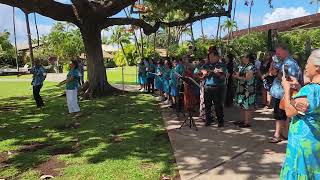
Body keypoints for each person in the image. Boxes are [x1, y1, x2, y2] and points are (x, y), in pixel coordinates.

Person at [280, 49, 320, 179]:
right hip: (315, 142)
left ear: (317, 67)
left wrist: (286, 90)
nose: (305, 66)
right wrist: (298, 88)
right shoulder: (312, 90)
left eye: (308, 63)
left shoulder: (309, 90)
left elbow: (289, 111)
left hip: (303, 144)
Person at [269, 43, 303, 143]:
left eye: (278, 53)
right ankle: (284, 133)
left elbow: (289, 80)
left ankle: (277, 135)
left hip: (282, 94)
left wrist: (277, 74)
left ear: (285, 51)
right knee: (282, 115)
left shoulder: (289, 64)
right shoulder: (284, 62)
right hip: (280, 93)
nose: (277, 55)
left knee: (279, 115)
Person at [201, 50, 227, 127]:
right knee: (207, 105)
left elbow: (223, 76)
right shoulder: (207, 64)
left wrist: (217, 72)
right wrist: (203, 72)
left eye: (212, 57)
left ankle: (220, 121)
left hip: (217, 87)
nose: (211, 58)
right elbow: (200, 71)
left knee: (218, 105)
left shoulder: (221, 65)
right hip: (207, 87)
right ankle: (208, 121)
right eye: (209, 57)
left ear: (217, 57)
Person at [233, 53, 256, 128]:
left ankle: (247, 122)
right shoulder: (243, 66)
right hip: (242, 88)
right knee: (242, 105)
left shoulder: (251, 67)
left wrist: (237, 77)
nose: (242, 58)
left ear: (248, 58)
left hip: (248, 89)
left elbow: (248, 78)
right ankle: (243, 120)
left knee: (247, 106)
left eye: (243, 57)